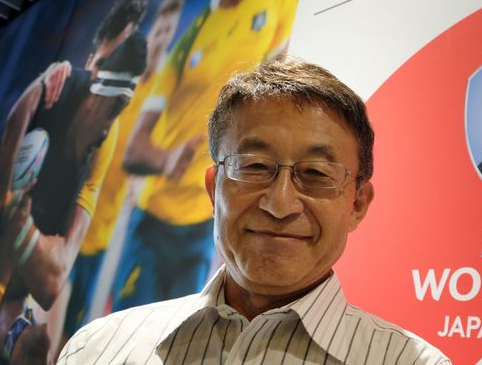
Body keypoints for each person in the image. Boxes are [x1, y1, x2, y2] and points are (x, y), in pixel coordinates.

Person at [58, 58, 451, 364]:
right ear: (215, 189)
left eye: (315, 173)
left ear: (357, 204)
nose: (279, 204)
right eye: (254, 166)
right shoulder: (97, 350)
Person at [112, 0, 299, 311]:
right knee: (134, 335)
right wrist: (167, 160)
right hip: (153, 220)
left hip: (209, 223)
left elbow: (283, 85)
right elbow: (134, 151)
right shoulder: (192, 36)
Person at [0, 0, 149, 364]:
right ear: (95, 57)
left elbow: (52, 282)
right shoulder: (57, 86)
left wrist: (20, 223)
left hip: (15, 266)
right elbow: (17, 116)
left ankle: (19, 340)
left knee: (23, 298)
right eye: (112, 58)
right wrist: (4, 192)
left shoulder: (104, 141)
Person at [62, 0, 184, 342]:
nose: (162, 35)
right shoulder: (125, 79)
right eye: (159, 28)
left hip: (106, 228)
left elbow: (149, 154)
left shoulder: (162, 95)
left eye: (168, 31)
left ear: (173, 34)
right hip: (75, 209)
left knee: (79, 323)